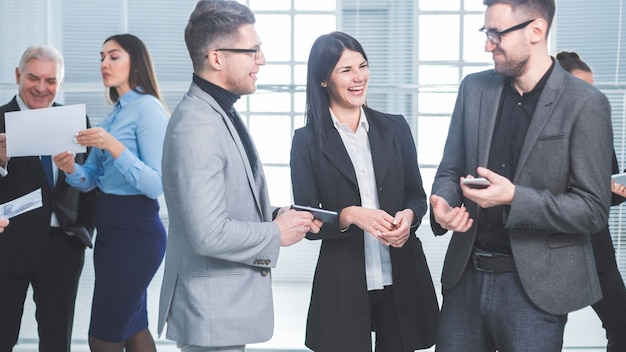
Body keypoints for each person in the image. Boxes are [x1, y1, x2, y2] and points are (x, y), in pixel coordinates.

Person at [429, 0, 614, 350]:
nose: (488, 45)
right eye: (486, 34)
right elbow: (450, 170)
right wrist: (443, 202)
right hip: (464, 278)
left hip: (534, 291)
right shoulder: (473, 89)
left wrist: (515, 197)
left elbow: (592, 209)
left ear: (536, 31)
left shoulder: (586, 104)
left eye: (496, 35)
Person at [157, 1, 319, 351]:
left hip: (221, 314)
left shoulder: (218, 111)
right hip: (211, 314)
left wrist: (277, 215)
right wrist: (275, 233)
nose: (261, 60)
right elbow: (209, 234)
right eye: (253, 50)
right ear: (217, 58)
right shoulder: (197, 125)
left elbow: (224, 201)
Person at [289, 31, 439, 352]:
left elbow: (416, 195)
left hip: (401, 275)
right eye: (346, 70)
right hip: (343, 282)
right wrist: (348, 215)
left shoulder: (396, 128)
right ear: (323, 80)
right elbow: (306, 221)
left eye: (363, 66)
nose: (359, 77)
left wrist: (409, 218)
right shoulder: (306, 142)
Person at [53, 34, 168, 352]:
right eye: (101, 57)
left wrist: (112, 145)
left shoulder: (148, 109)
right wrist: (70, 168)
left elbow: (156, 184)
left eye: (114, 56)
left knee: (102, 337)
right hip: (110, 237)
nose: (104, 63)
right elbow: (91, 180)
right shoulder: (112, 116)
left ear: (136, 62)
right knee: (134, 330)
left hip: (136, 235)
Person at [0, 45, 97, 352]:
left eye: (51, 80)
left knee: (57, 341)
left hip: (63, 246)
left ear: (60, 82)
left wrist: (83, 233)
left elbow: (90, 182)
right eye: (33, 78)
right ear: (18, 75)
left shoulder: (77, 120)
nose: (42, 88)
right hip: (8, 246)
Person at [557, 50, 626, 352]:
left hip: (595, 248)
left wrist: (617, 193)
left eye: (592, 90)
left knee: (623, 328)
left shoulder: (599, 129)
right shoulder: (534, 134)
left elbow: (603, 192)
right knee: (539, 337)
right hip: (550, 253)